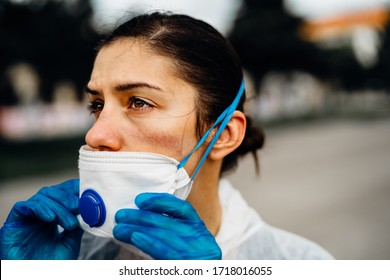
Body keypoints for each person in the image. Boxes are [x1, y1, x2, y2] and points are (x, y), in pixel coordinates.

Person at [0, 12, 333, 260]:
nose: (96, 134)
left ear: (222, 135)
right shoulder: (67, 252)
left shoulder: (301, 262)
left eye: (139, 102)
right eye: (97, 105)